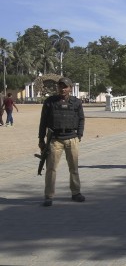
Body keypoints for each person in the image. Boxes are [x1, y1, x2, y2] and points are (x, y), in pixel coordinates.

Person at [38, 77, 85, 207]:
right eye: (60, 86)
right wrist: (41, 139)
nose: (62, 89)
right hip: (55, 139)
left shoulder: (76, 102)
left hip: (72, 138)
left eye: (65, 87)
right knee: (51, 169)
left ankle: (76, 193)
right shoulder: (50, 102)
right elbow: (43, 122)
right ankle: (48, 196)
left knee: (74, 168)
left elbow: (81, 119)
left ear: (70, 88)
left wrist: (79, 135)